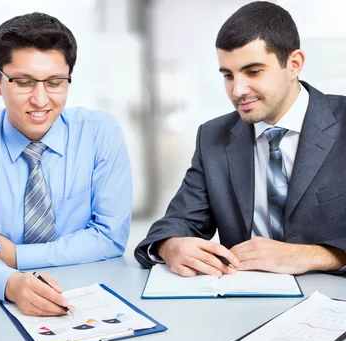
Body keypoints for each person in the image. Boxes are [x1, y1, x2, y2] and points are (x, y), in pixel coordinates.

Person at [135, 1, 346, 277]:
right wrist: (170, 246)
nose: (238, 90)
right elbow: (177, 222)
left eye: (253, 72)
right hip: (243, 300)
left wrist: (313, 255)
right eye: (228, 75)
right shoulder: (213, 137)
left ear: (294, 64)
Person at [0, 12, 132, 316]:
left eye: (55, 82)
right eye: (24, 82)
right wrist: (13, 285)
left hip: (92, 298)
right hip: (3, 302)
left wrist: (16, 255)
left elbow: (110, 237)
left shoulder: (99, 133)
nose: (41, 100)